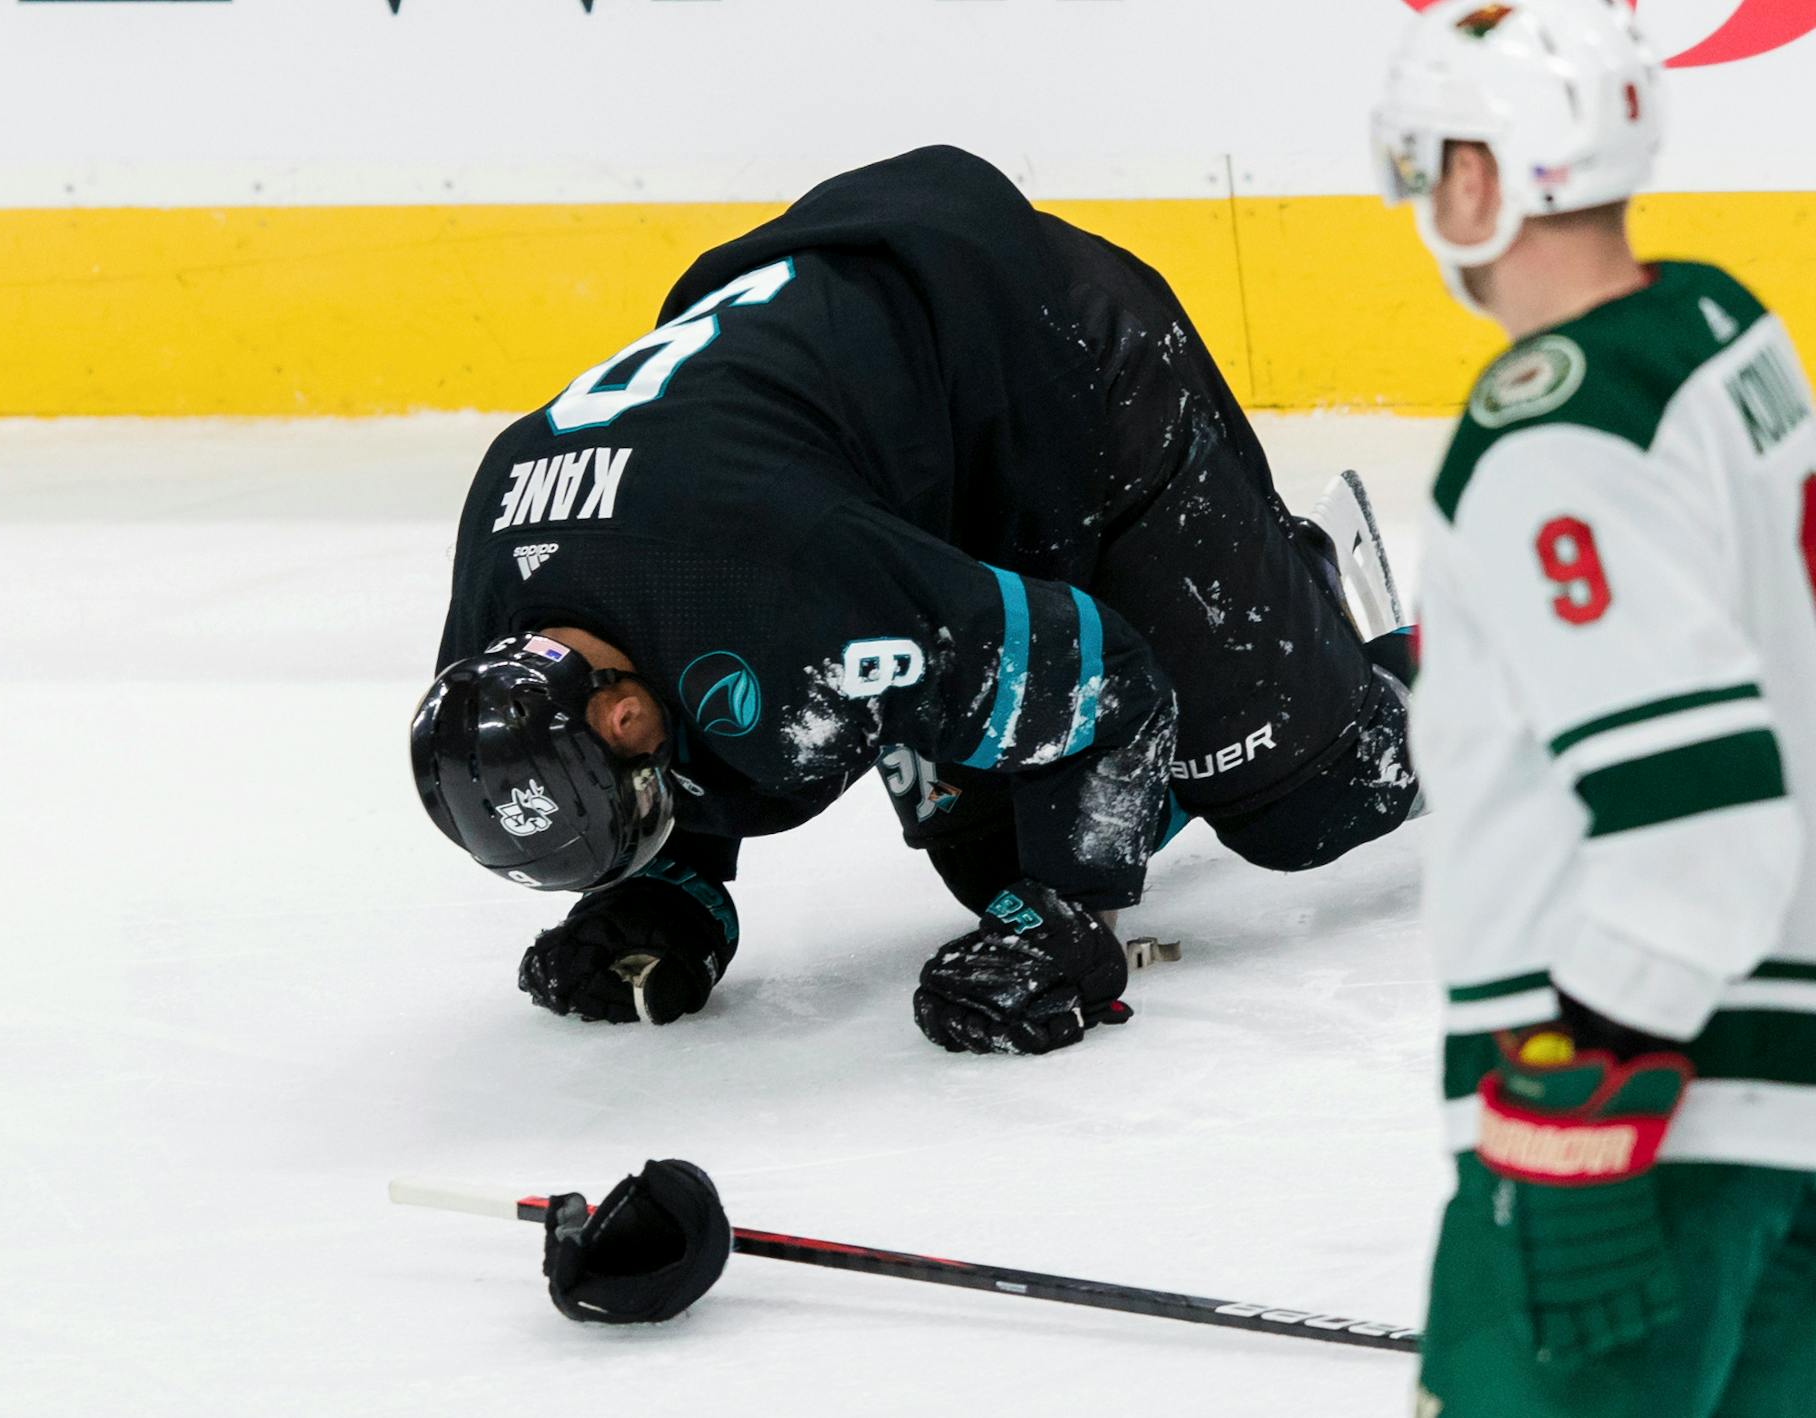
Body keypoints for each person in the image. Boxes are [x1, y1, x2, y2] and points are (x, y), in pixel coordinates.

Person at [411, 144, 1418, 1056]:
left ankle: (1320, 596)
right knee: (990, 861)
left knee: (1319, 804)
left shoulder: (789, 586)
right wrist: (671, 884)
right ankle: (1244, 659)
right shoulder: (497, 622)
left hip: (1067, 361)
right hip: (889, 440)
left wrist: (1074, 915)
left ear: (625, 713)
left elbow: (1108, 679)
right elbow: (664, 638)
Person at [1374, 2, 1816, 1413]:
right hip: (1780, 1097)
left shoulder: (1550, 438)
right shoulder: (1721, 334)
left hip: (1637, 1114)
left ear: (1482, 179)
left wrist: (1594, 1069)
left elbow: (1701, 816)